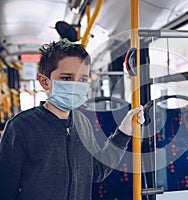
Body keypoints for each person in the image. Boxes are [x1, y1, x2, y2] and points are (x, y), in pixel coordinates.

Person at [0, 39, 145, 200]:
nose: (76, 85)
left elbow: (96, 171)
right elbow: (5, 189)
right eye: (67, 78)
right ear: (44, 82)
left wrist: (123, 132)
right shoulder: (20, 128)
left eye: (82, 79)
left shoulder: (83, 122)